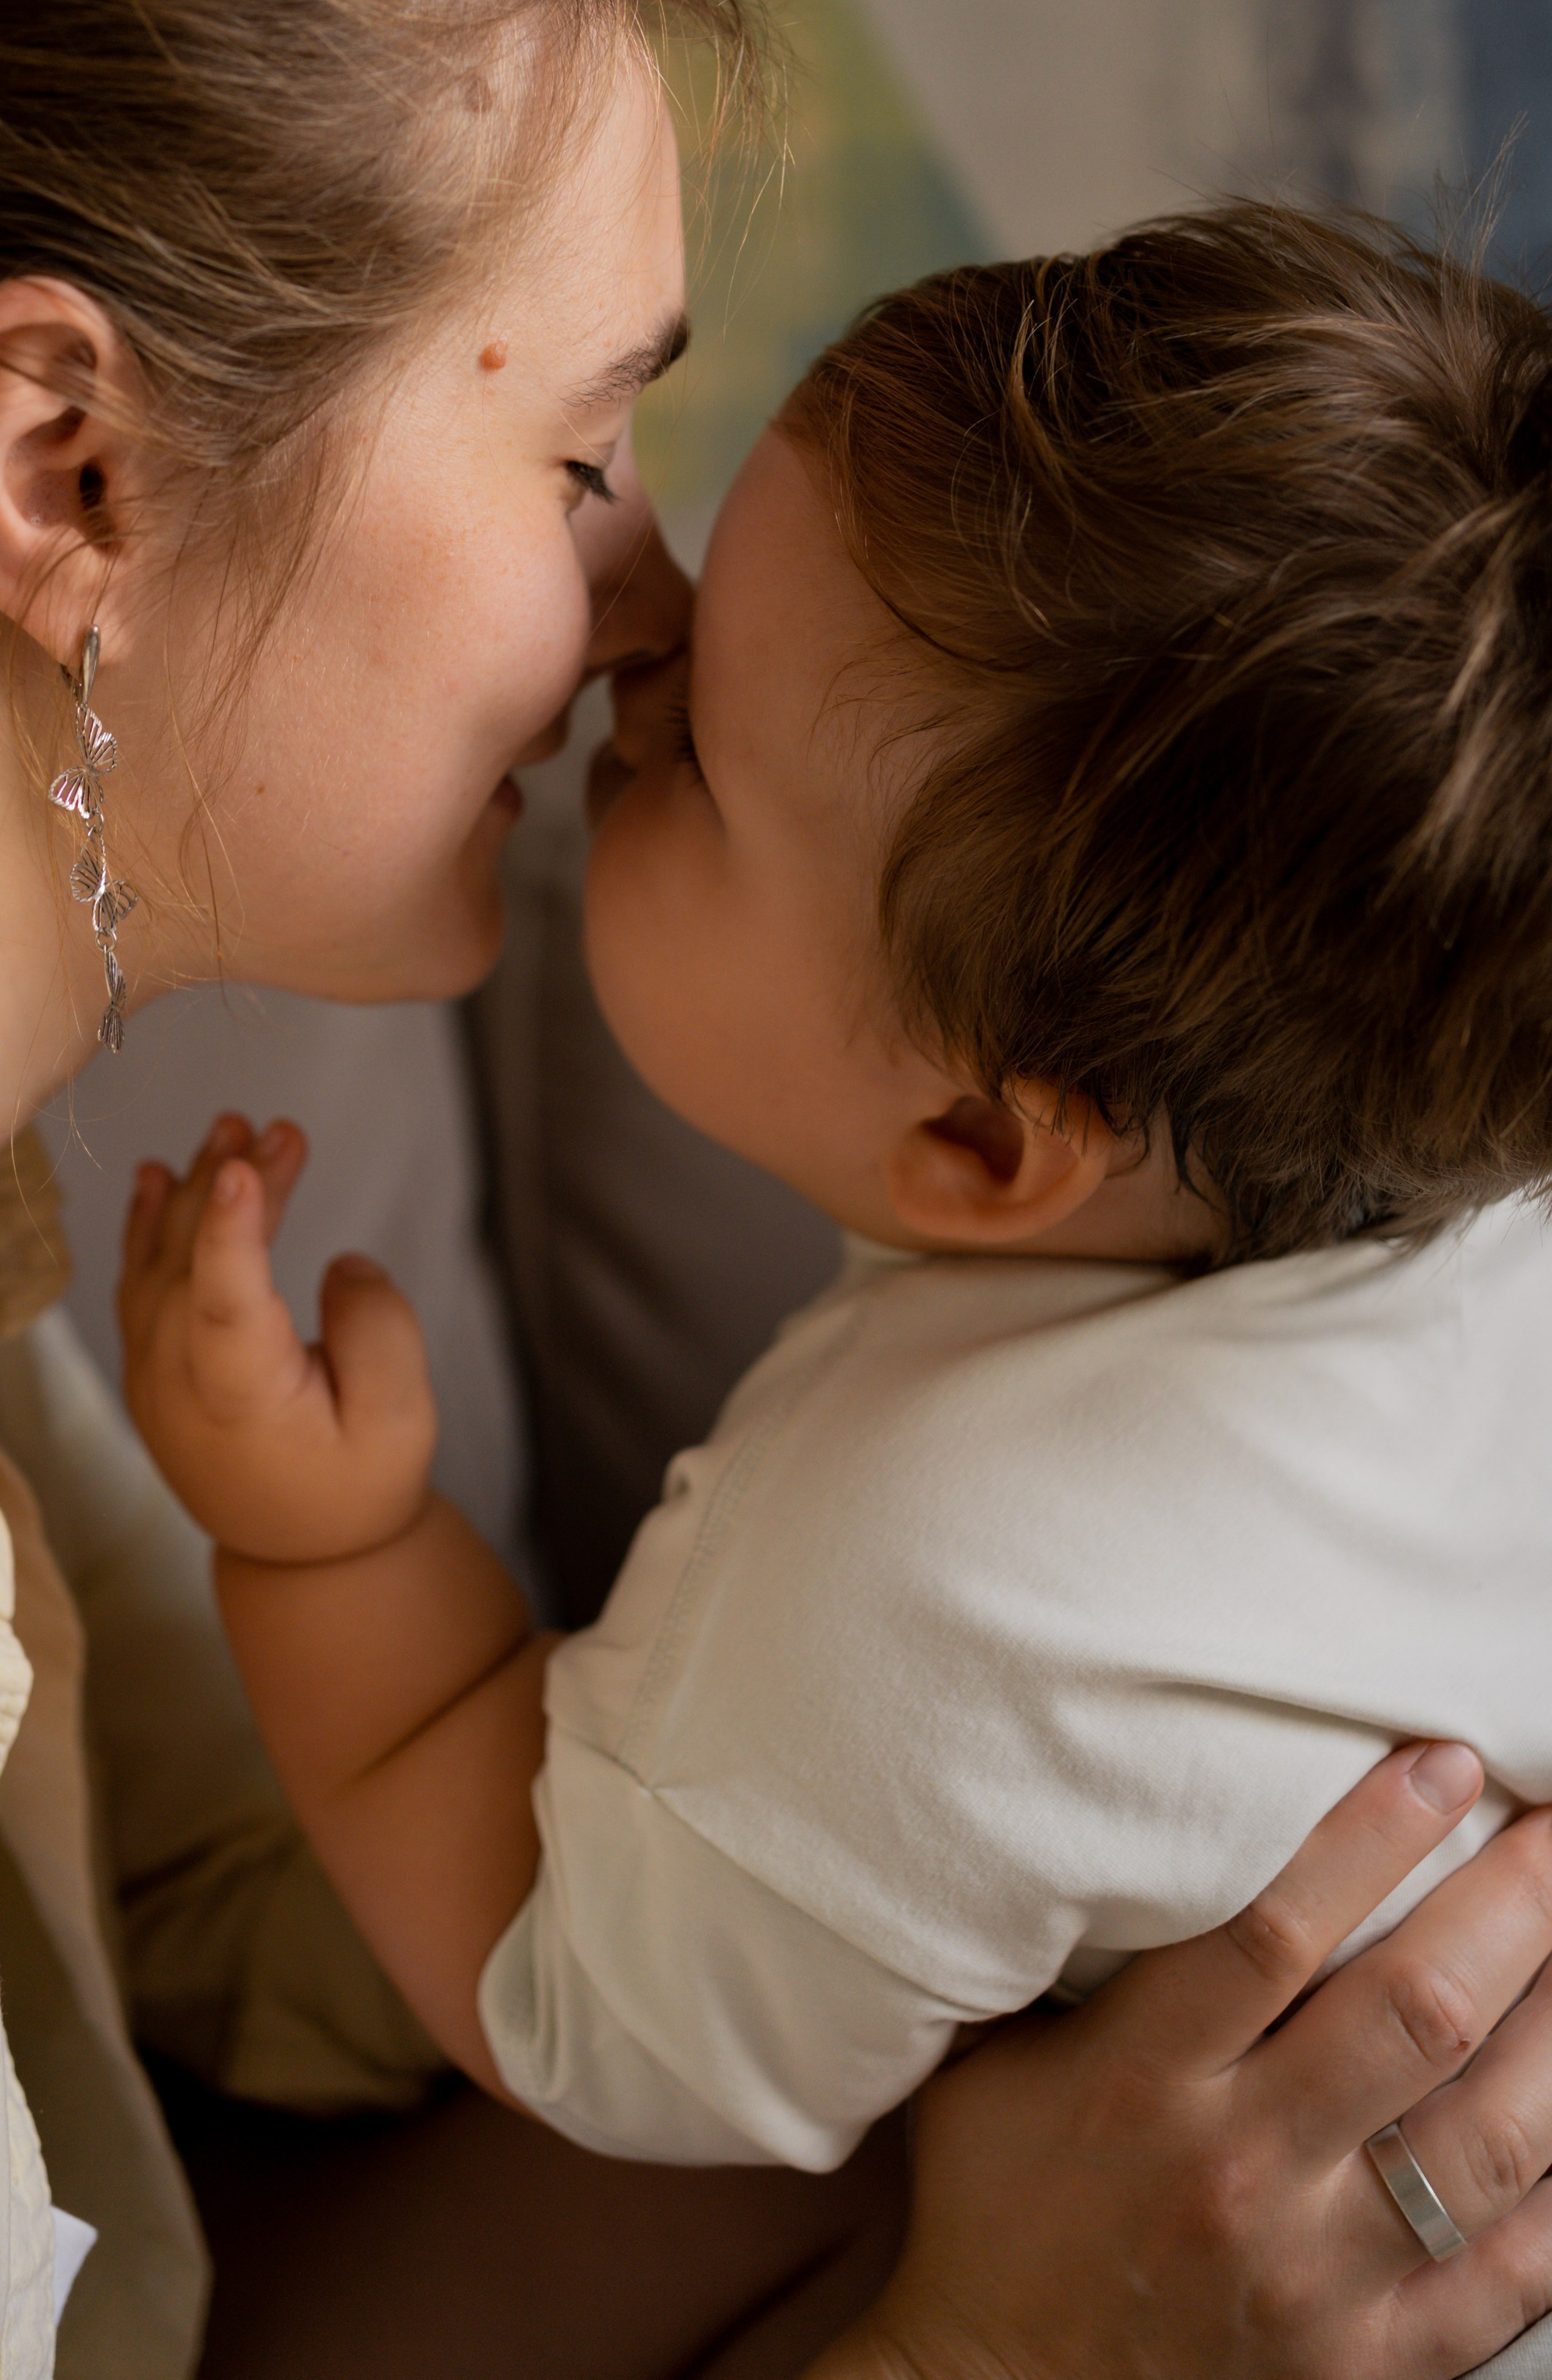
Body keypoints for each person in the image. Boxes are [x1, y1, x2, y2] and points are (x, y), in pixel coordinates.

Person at [0, 0, 1545, 2380]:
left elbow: (247, 1929)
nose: (648, 610)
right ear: (70, 473)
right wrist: (997, 2347)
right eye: (584, 448)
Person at [121, 212, 1552, 2353]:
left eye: (692, 747)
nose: (626, 641)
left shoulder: (903, 1594)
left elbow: (553, 1981)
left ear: (983, 1149)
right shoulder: (1465, 1187)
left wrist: (326, 1547)